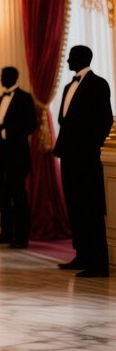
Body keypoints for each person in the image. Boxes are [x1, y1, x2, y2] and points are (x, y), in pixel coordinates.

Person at [54, 45, 112, 278]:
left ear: (81, 59)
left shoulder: (98, 84)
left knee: (91, 208)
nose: (68, 61)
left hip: (86, 157)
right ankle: (82, 255)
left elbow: (105, 120)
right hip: (68, 156)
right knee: (75, 206)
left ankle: (98, 263)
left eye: (71, 57)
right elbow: (64, 120)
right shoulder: (68, 86)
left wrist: (89, 146)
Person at [0, 67, 37, 249]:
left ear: (12, 77)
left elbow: (31, 124)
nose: (0, 78)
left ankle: (21, 237)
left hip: (17, 154)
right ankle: (5, 233)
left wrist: (5, 132)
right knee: (2, 194)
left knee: (18, 195)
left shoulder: (25, 98)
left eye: (3, 75)